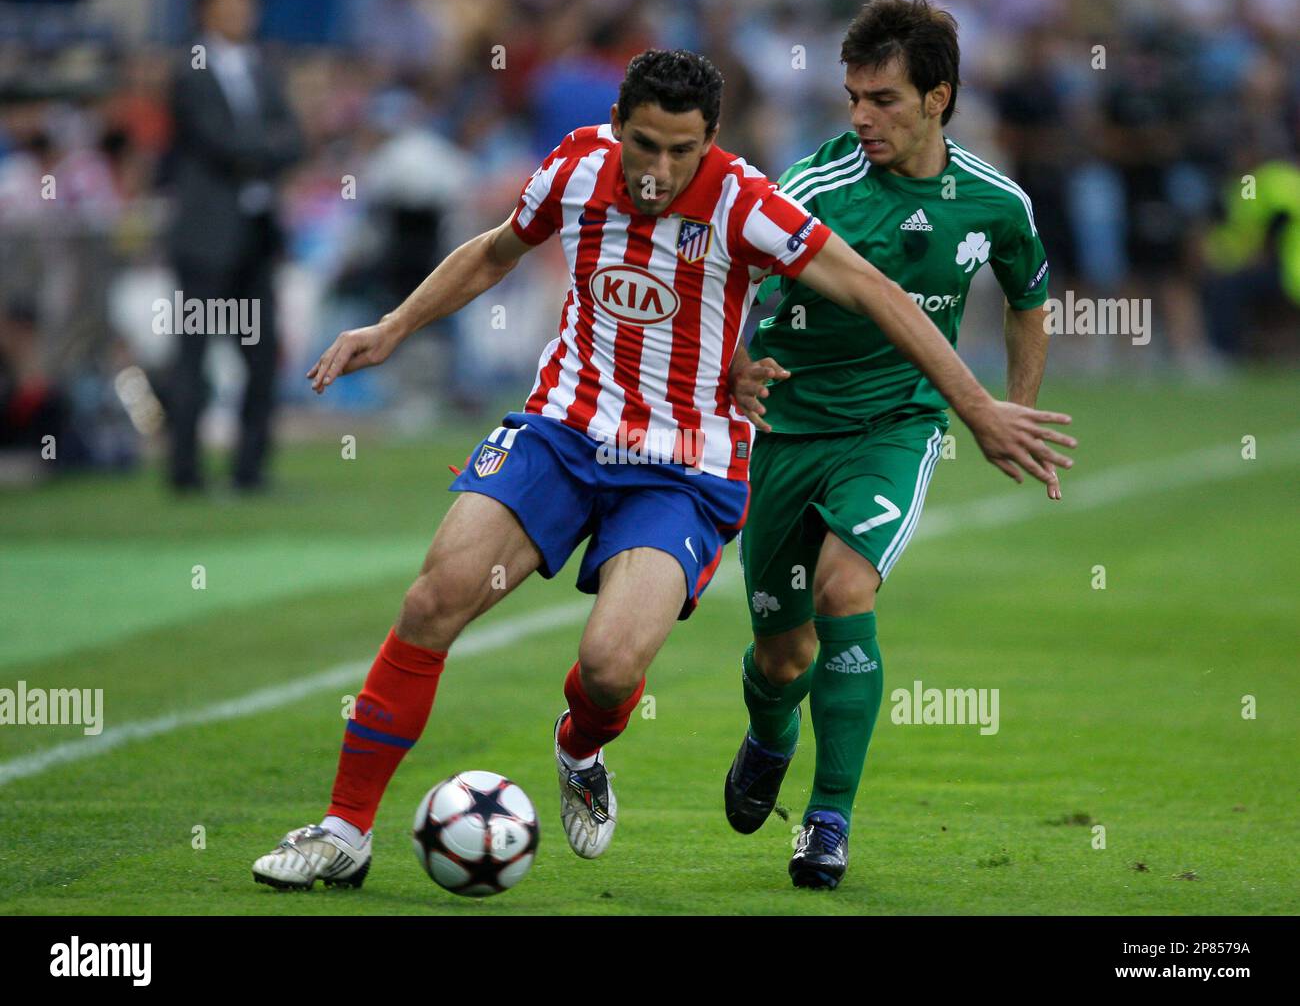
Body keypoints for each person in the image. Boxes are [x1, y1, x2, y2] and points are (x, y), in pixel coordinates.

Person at [250, 48, 1074, 890]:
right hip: (562, 432)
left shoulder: (746, 200)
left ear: (711, 139)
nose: (661, 170)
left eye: (683, 151)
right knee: (434, 598)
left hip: (682, 467)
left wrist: (979, 408)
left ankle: (579, 744)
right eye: (645, 145)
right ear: (618, 127)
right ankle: (344, 828)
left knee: (611, 666)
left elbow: (876, 293)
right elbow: (497, 250)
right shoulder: (573, 166)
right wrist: (391, 327)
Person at [722, 0, 1065, 890]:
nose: (863, 116)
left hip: (898, 424)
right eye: (853, 99)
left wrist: (1013, 410)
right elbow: (722, 277)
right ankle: (769, 730)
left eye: (883, 99)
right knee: (781, 654)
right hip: (786, 429)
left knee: (845, 590)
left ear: (938, 98)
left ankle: (828, 819)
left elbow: (1028, 295)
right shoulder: (811, 190)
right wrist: (733, 367)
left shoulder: (993, 201)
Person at [164, 0, 302, 492]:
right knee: (194, 355)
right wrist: (267, 149)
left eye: (247, 3)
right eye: (230, 3)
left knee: (262, 354)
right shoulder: (189, 68)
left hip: (255, 233)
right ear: (205, 9)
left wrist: (261, 150)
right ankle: (184, 472)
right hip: (205, 236)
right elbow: (216, 140)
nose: (242, 12)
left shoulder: (263, 66)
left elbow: (294, 138)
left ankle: (250, 469)